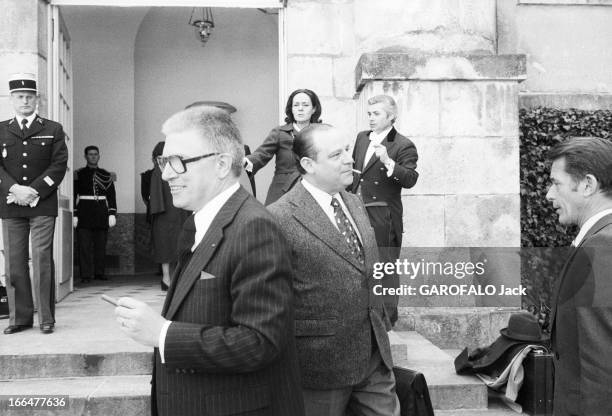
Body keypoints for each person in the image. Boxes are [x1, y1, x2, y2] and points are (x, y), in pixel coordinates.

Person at [114, 106, 304, 416]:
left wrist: (163, 334)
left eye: (177, 161)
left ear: (221, 164)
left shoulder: (255, 228)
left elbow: (260, 342)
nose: (165, 174)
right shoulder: (197, 223)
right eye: (164, 161)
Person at [268, 124, 399, 416]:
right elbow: (271, 299)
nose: (349, 160)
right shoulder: (278, 217)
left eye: (347, 151)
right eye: (336, 154)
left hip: (373, 355)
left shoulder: (354, 202)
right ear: (307, 164)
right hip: (318, 367)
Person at [545, 137, 612, 416]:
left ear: (587, 185)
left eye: (556, 183)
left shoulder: (601, 247)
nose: (549, 195)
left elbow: (599, 364)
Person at [0, 73, 68, 334]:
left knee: (41, 259)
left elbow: (59, 164)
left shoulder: (52, 129)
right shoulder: (1, 128)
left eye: (29, 96)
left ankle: (46, 318)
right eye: (20, 97)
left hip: (42, 202)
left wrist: (34, 190)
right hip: (11, 202)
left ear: (36, 99)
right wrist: (15, 188)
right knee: (14, 261)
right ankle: (19, 318)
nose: (25, 100)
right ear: (12, 100)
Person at [349, 94, 419, 325]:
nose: (370, 118)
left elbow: (410, 179)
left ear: (391, 117)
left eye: (376, 114)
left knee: (385, 267)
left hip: (383, 217)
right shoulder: (361, 138)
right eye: (369, 114)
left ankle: (388, 320)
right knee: (358, 265)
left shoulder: (403, 145)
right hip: (357, 210)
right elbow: (355, 174)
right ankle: (363, 315)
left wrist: (388, 161)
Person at [244, 88, 322, 205]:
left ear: (314, 109)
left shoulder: (322, 133)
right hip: (283, 189)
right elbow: (261, 154)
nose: (300, 109)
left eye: (305, 105)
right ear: (291, 109)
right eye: (296, 105)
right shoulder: (279, 132)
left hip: (314, 187)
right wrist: (245, 162)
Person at [140, 141, 190, 291]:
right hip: (165, 215)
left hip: (177, 213)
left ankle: (172, 278)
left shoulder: (174, 170)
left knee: (177, 247)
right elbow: (155, 196)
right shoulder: (159, 171)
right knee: (165, 249)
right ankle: (166, 278)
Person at [73, 146, 117, 283]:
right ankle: (85, 275)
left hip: (101, 213)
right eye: (90, 154)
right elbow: (74, 194)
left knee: (100, 245)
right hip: (84, 212)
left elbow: (111, 195)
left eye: (95, 154)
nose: (93, 156)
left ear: (99, 156)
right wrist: (75, 213)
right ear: (85, 156)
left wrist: (112, 213)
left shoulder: (106, 174)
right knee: (84, 246)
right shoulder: (78, 174)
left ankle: (99, 273)